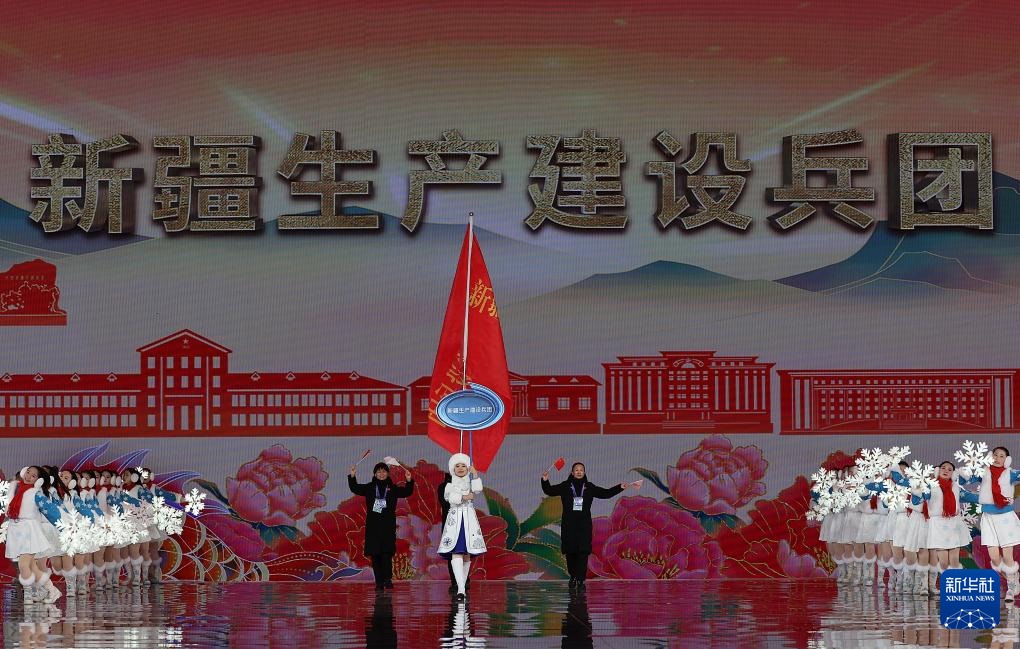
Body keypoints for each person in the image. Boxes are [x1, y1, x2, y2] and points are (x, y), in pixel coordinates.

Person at [542, 462, 628, 592]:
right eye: (576, 470)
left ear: (584, 472)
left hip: (584, 526)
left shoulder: (589, 487)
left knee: (583, 553)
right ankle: (573, 577)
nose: (579, 472)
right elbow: (549, 491)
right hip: (569, 525)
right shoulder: (565, 486)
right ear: (572, 473)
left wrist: (620, 487)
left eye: (581, 470)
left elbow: (605, 493)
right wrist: (545, 480)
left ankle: (581, 580)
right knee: (571, 552)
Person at [349, 461, 414, 590]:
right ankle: (379, 582)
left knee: (386, 554)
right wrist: (352, 476)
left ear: (387, 473)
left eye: (384, 471)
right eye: (378, 471)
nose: (381, 474)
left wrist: (408, 480)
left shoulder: (393, 488)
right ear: (375, 474)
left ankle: (387, 580)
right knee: (375, 555)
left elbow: (407, 492)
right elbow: (355, 488)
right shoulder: (369, 487)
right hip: (373, 526)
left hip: (388, 526)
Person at [968, 446, 1020, 601]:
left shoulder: (1010, 473)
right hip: (988, 518)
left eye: (1001, 456)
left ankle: (1011, 587)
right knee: (995, 559)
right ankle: (1013, 576)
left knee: (1008, 555)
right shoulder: (983, 473)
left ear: (1007, 460)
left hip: (1005, 517)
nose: (997, 458)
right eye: (995, 455)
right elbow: (965, 479)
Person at [3, 467, 60, 604]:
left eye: (33, 476)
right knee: (32, 566)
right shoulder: (15, 489)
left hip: (29, 531)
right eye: (28, 472)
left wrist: (63, 526)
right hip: (16, 531)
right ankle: (50, 590)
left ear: (38, 480)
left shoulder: (36, 493)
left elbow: (52, 512)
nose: (28, 476)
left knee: (23, 565)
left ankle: (32, 593)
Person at [922, 461, 977, 593]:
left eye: (949, 469)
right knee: (944, 562)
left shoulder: (956, 487)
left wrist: (990, 498)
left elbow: (971, 497)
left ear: (953, 473)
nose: (946, 470)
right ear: (938, 470)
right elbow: (921, 496)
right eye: (943, 468)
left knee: (954, 560)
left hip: (953, 525)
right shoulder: (931, 486)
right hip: (938, 525)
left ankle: (955, 589)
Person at [437, 453, 485, 601]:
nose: (460, 468)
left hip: (469, 520)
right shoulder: (449, 485)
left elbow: (478, 489)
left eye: (463, 465)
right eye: (457, 466)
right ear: (452, 469)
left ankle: (462, 585)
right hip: (455, 521)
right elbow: (449, 498)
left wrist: (475, 474)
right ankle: (461, 589)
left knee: (466, 554)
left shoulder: (470, 482)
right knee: (456, 551)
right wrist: (464, 497)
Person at [438, 472, 468, 594]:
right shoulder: (444, 487)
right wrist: (459, 497)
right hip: (450, 525)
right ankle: (455, 582)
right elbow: (445, 502)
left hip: (464, 523)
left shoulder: (465, 485)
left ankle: (464, 580)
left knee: (465, 553)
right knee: (452, 554)